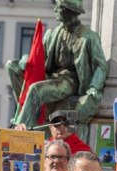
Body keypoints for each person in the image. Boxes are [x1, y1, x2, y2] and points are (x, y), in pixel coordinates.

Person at [7, 0, 108, 129]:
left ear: (68, 11)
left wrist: (94, 87)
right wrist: (26, 59)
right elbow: (39, 56)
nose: (55, 10)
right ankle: (24, 114)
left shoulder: (88, 36)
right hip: (51, 76)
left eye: (58, 7)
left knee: (36, 89)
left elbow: (101, 65)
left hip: (69, 81)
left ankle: (21, 129)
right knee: (12, 66)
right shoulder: (53, 33)